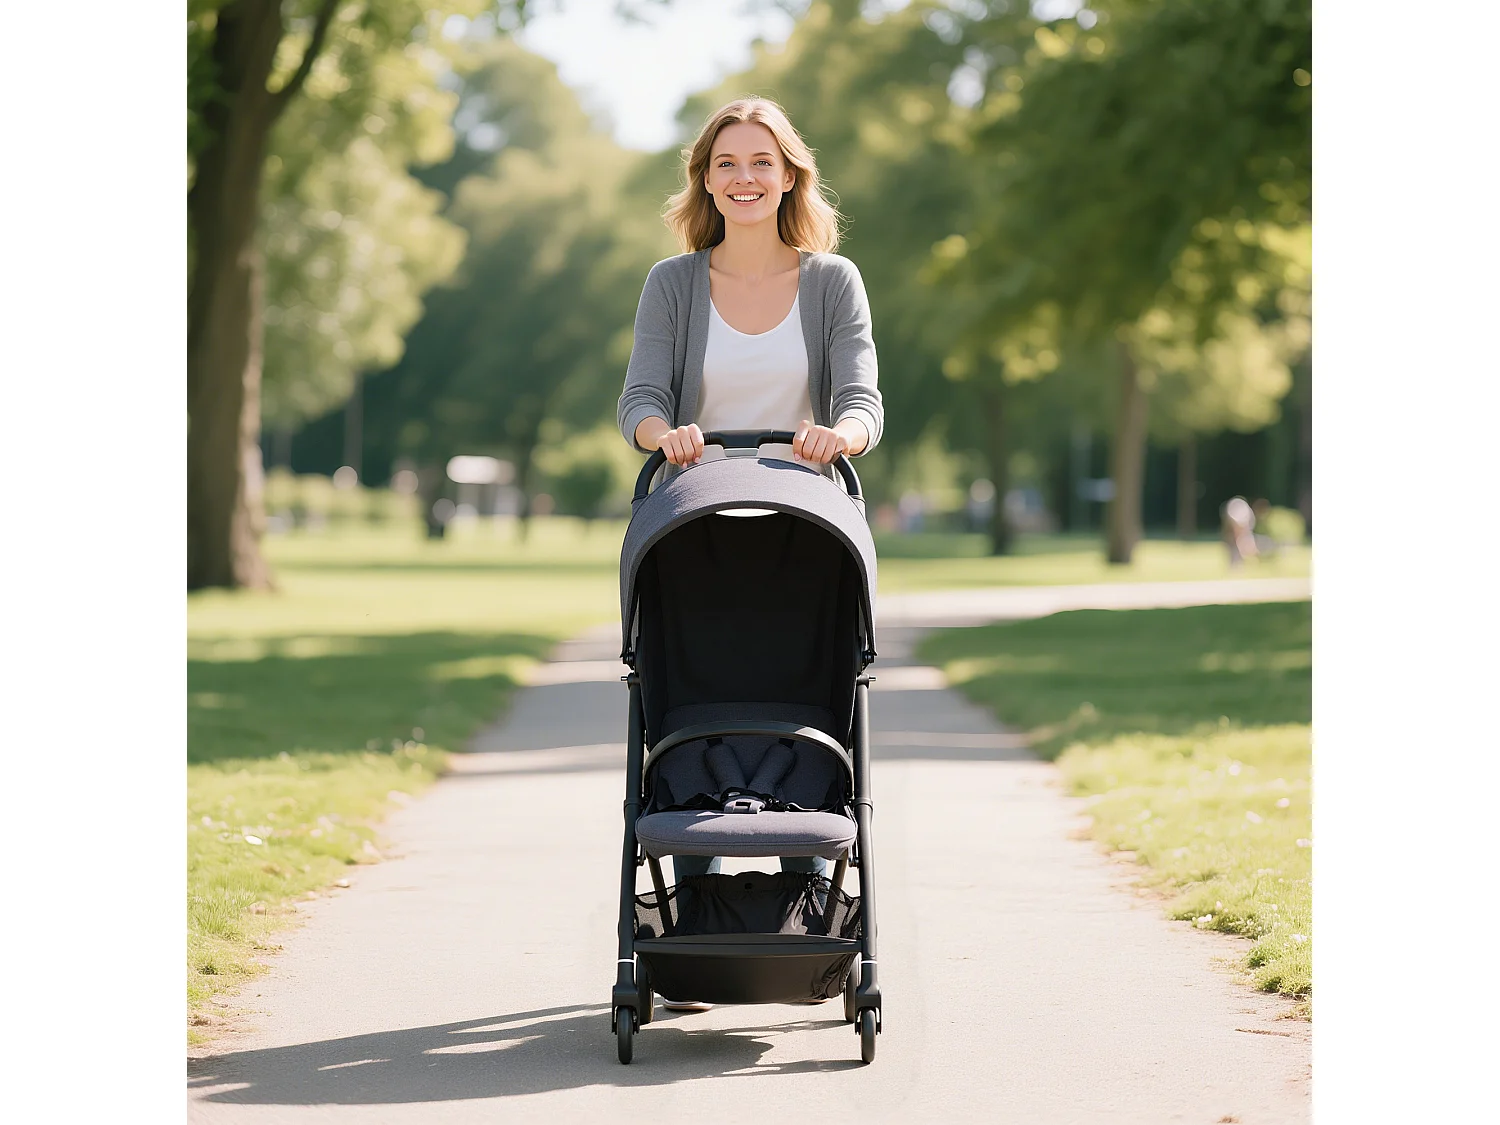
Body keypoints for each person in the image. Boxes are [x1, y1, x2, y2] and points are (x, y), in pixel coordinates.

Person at [617, 96, 883, 1009]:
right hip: (691, 530)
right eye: (725, 162)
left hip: (805, 534)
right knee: (688, 692)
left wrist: (838, 437)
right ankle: (692, 904)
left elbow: (862, 400)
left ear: (789, 175)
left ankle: (801, 899)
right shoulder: (673, 282)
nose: (743, 177)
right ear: (704, 178)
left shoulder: (833, 280)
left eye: (760, 161)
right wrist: (668, 434)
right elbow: (640, 398)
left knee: (807, 689)